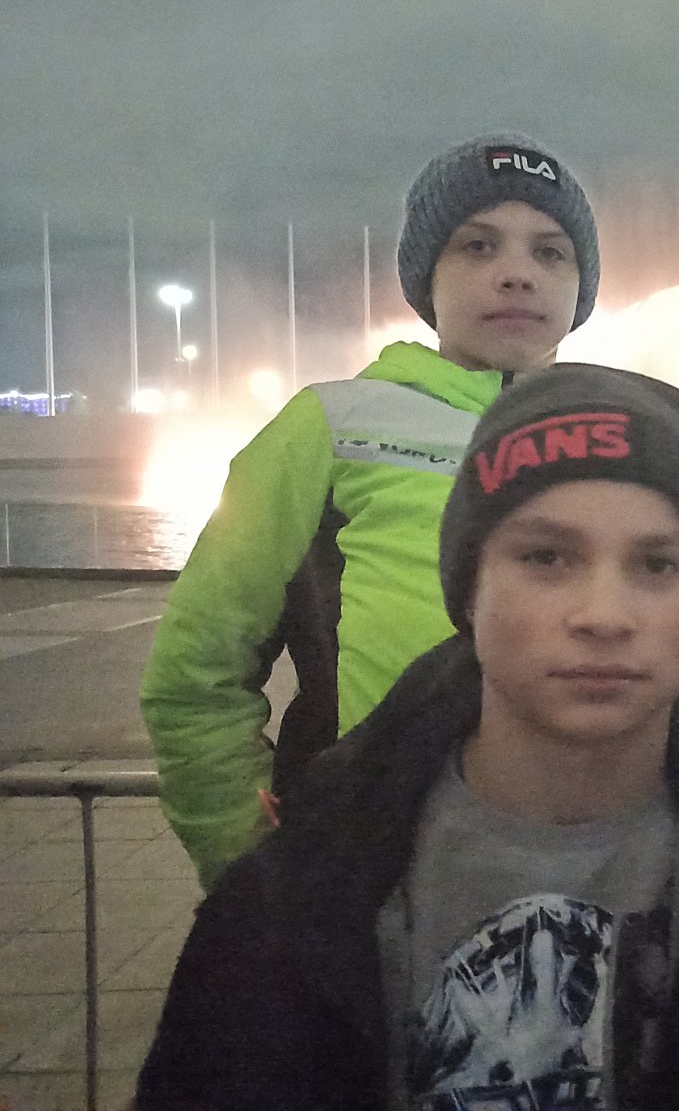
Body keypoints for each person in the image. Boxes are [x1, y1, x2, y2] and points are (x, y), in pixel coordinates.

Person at [136, 363, 679, 1111]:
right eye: (547, 557)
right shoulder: (298, 891)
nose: (604, 615)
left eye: (657, 565)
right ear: (467, 590)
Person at [141, 132, 601, 889]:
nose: (517, 273)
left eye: (550, 252)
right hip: (367, 873)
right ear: (426, 276)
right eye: (477, 246)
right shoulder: (328, 427)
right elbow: (196, 671)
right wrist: (251, 869)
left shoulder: (616, 438)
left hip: (578, 873)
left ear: (580, 288)